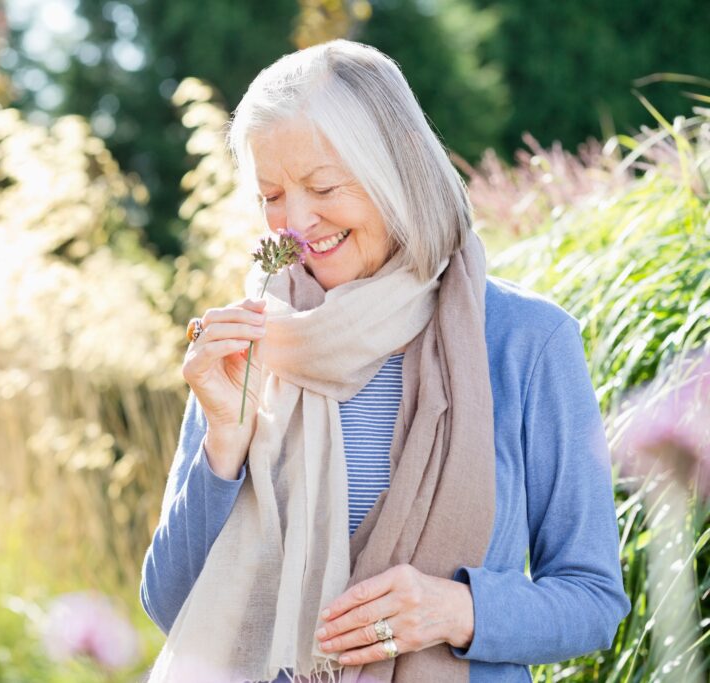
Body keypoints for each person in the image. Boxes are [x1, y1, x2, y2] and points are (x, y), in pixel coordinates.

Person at [140, 40, 629, 683]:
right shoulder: (253, 342)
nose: (296, 222)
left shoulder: (526, 342)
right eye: (272, 195)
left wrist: (459, 611)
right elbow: (174, 607)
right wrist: (223, 446)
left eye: (321, 187)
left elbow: (594, 600)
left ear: (395, 171)